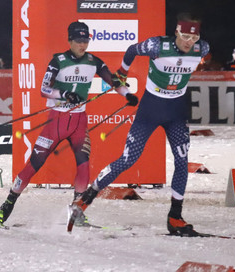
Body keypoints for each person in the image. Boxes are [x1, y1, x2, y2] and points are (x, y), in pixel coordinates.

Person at [68, 13, 210, 237]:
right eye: (184, 37)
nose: (188, 43)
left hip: (176, 112)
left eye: (193, 39)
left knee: (182, 162)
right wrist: (123, 72)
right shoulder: (157, 45)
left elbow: (198, 58)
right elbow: (133, 49)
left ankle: (175, 216)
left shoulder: (202, 48)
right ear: (176, 32)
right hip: (151, 110)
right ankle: (85, 199)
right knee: (128, 159)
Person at [0, 21, 138, 228]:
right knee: (34, 164)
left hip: (79, 121)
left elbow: (113, 81)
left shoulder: (94, 61)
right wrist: (64, 94)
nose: (82, 45)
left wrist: (127, 95)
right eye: (78, 41)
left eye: (85, 40)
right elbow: (44, 89)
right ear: (69, 40)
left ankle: (77, 211)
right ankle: (7, 205)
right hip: (57, 120)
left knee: (84, 165)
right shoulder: (58, 61)